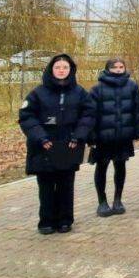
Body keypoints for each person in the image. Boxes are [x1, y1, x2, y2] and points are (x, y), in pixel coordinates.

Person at [19, 54, 95, 234]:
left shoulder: (80, 92)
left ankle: (65, 220)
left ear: (71, 70)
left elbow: (89, 115)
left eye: (65, 68)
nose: (61, 70)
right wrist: (41, 138)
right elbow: (27, 117)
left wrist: (78, 136)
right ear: (51, 70)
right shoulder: (38, 93)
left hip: (69, 144)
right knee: (45, 185)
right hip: (44, 146)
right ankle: (46, 221)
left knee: (66, 185)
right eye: (58, 67)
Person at [88, 58, 139, 217]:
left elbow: (138, 110)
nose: (118, 70)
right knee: (102, 167)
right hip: (103, 138)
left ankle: (118, 199)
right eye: (115, 67)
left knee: (120, 167)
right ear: (107, 69)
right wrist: (91, 136)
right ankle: (102, 201)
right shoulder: (97, 89)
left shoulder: (132, 86)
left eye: (121, 67)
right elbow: (90, 115)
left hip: (123, 136)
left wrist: (138, 130)